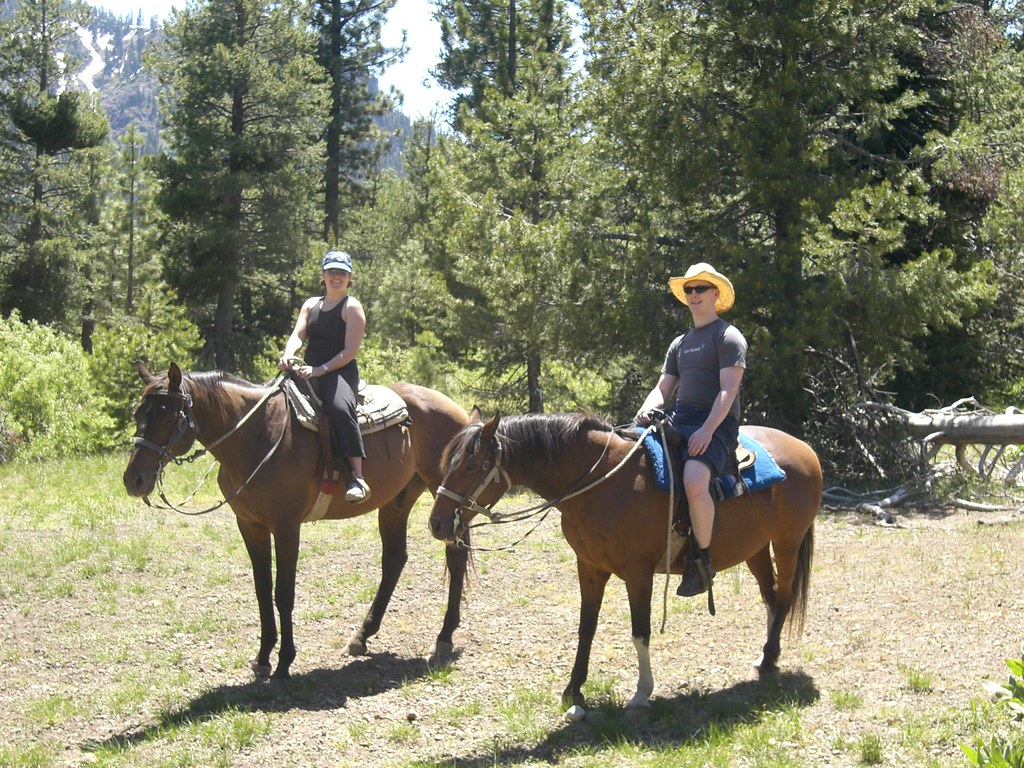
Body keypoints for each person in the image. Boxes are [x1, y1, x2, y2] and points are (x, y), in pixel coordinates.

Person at [635, 263, 747, 597]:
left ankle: (703, 561)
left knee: (695, 480)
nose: (694, 295)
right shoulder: (680, 343)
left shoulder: (727, 336)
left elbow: (728, 392)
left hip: (717, 423)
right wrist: (646, 408)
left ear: (716, 294)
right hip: (679, 418)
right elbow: (663, 387)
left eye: (701, 289)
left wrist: (708, 431)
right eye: (689, 290)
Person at [279, 250, 370, 503]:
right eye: (331, 272)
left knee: (340, 408)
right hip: (307, 369)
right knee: (274, 399)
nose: (336, 277)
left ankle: (356, 477)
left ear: (350, 277)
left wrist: (320, 370)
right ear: (323, 275)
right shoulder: (310, 304)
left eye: (342, 272)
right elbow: (298, 335)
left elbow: (350, 351)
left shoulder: (352, 307)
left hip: (339, 372)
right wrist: (289, 354)